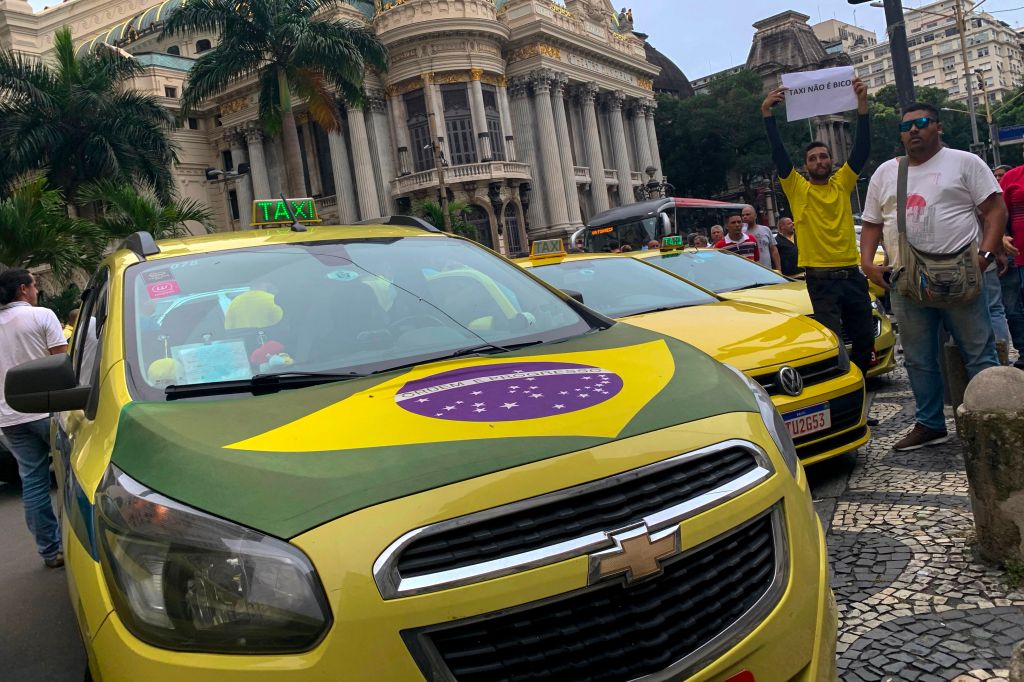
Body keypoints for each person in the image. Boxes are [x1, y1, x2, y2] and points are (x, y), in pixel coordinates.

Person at [860, 102, 1004, 451]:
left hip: (961, 275)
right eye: (906, 126)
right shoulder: (885, 172)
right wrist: (867, 262)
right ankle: (930, 423)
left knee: (978, 352)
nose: (913, 130)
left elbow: (995, 208)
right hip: (907, 280)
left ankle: (994, 419)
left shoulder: (965, 162)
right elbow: (872, 223)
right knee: (919, 357)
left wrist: (985, 254)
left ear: (938, 127)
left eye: (921, 123)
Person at [762, 76, 875, 376]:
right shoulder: (798, 188)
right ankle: (839, 391)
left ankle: (859, 388)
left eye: (824, 156)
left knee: (865, 338)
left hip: (852, 276)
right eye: (812, 158)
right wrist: (768, 116)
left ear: (832, 160)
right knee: (832, 342)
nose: (819, 161)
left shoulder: (842, 183)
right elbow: (779, 155)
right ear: (805, 166)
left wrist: (862, 107)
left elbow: (862, 150)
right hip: (821, 281)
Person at [0, 269, 67, 568]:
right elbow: (62, 363)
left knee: (34, 483)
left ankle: (50, 551)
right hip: (48, 409)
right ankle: (81, 543)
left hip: (10, 416)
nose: (37, 290)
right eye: (35, 285)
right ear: (23, 289)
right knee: (72, 476)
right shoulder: (42, 316)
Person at [998, 163, 1024, 368]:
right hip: (1016, 255)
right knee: (1013, 308)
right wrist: (1003, 236)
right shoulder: (1012, 178)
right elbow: (1000, 214)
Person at [741, 205, 781, 270]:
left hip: (767, 270)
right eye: (743, 215)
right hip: (749, 271)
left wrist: (779, 269)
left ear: (755, 216)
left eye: (748, 214)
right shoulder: (741, 234)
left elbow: (774, 250)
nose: (745, 217)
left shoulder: (765, 229)